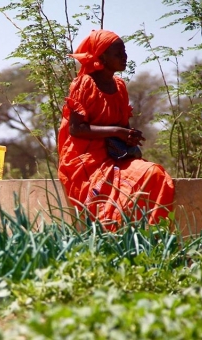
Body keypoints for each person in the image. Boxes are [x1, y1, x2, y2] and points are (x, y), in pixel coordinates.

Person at [57, 29, 175, 231]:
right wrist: (117, 132)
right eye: (118, 53)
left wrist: (128, 135)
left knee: (154, 173)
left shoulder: (119, 86)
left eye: (124, 52)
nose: (124, 57)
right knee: (111, 191)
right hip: (85, 158)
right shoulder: (84, 83)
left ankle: (153, 236)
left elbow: (121, 126)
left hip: (115, 156)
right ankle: (112, 236)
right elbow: (76, 129)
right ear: (102, 56)